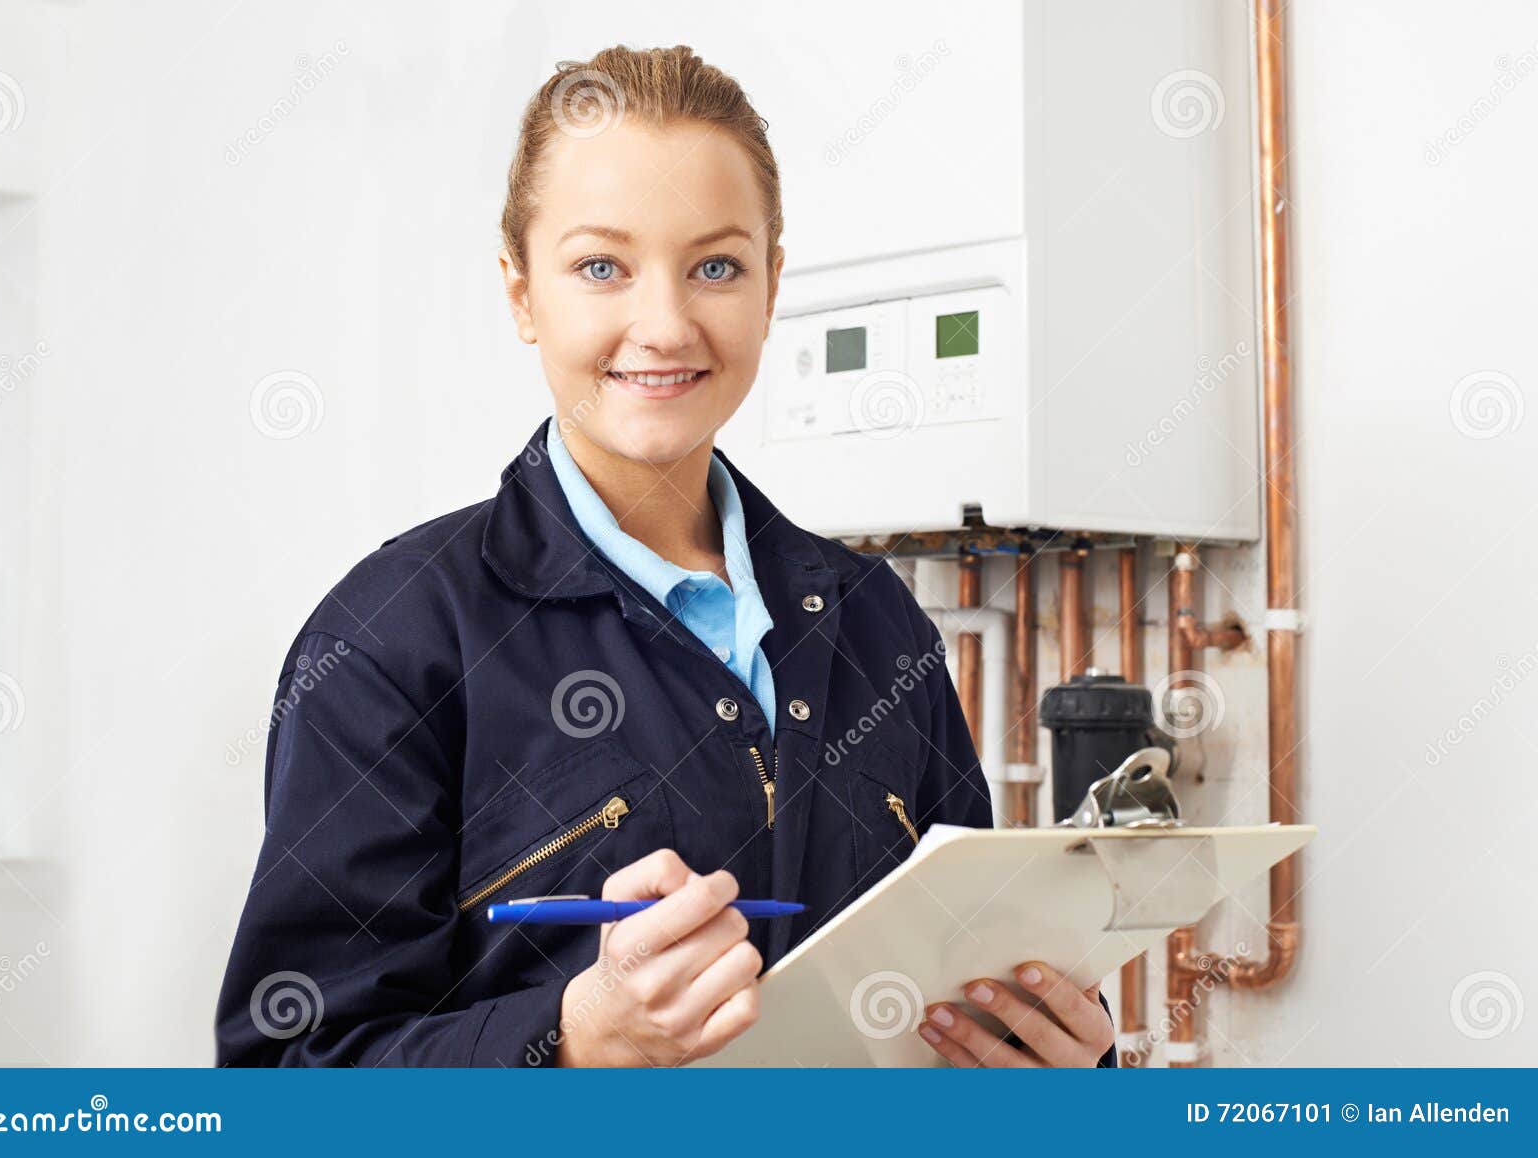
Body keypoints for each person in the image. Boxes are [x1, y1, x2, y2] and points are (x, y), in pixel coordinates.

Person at [215, 43, 1116, 1069]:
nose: (665, 322)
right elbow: (286, 1077)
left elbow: (967, 1000)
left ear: (772, 286)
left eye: (715, 267)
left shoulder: (878, 622)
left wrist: (1064, 1073)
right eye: (602, 267)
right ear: (521, 293)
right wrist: (565, 1041)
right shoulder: (393, 642)